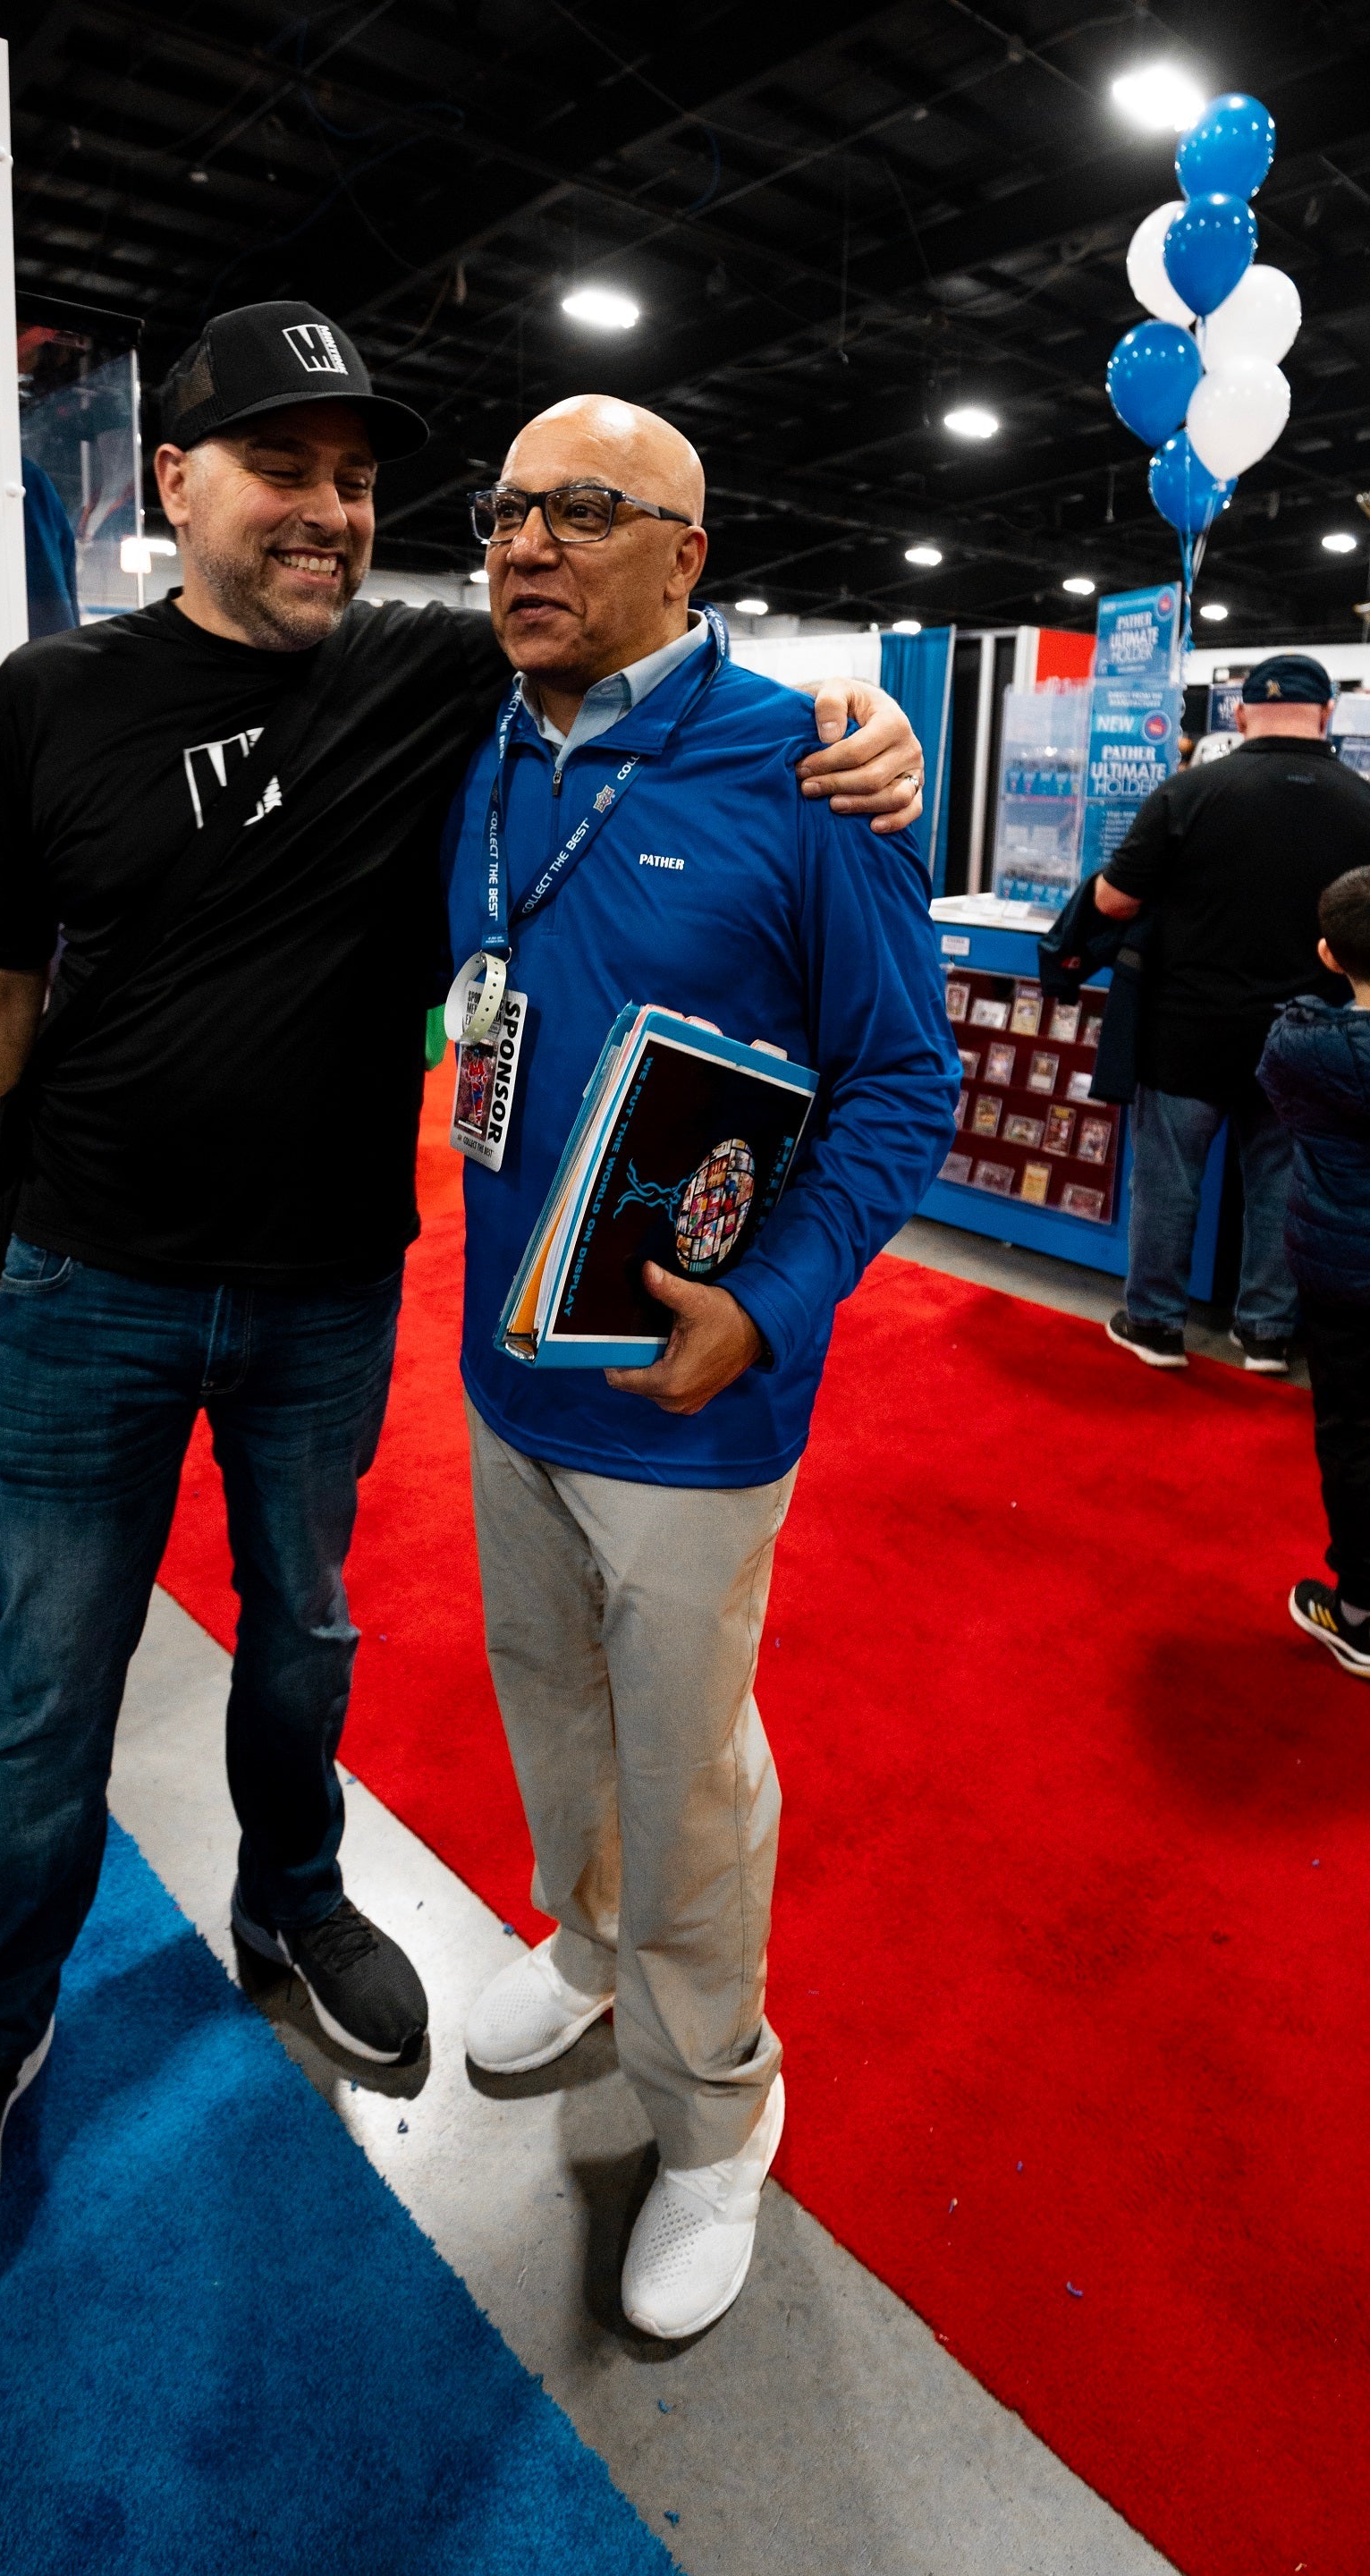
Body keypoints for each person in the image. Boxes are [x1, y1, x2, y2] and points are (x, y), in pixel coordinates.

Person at [0, 301, 927, 2284]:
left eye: (359, 483)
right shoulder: (110, 702)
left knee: (343, 1656)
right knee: (50, 1698)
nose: (336, 514)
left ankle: (403, 1954)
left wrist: (868, 724)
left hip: (390, 1317)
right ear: (173, 482)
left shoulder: (501, 694)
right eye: (283, 469)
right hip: (140, 1291)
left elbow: (881, 1035)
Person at [444, 396, 958, 2341]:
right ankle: (589, 1949)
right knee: (551, 1715)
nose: (527, 545)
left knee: (685, 1778)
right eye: (507, 510)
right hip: (510, 1380)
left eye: (583, 510)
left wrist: (779, 1297)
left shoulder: (811, 772)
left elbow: (905, 1080)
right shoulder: (490, 747)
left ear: (690, 553)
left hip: (693, 1404)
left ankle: (717, 2113)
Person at [1095, 653, 1370, 1375]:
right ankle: (1267, 1333)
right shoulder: (1363, 803)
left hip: (1188, 1027)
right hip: (1308, 1033)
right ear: (1329, 713)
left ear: (1240, 713)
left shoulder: (1188, 792)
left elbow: (1113, 901)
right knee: (1285, 1182)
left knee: (1168, 1181)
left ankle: (1154, 1324)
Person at [1260, 867, 1370, 1676]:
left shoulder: (1302, 1046)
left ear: (1329, 954)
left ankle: (1360, 1613)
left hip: (1344, 1274)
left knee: (1355, 1432)